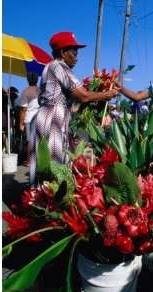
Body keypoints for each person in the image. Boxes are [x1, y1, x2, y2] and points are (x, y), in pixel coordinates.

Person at [29, 31, 118, 186]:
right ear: (63, 52)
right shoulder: (59, 67)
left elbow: (78, 97)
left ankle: (42, 200)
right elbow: (82, 95)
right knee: (53, 165)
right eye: (73, 52)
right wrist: (105, 95)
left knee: (47, 163)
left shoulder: (51, 67)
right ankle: (47, 202)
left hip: (50, 116)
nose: (77, 56)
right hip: (52, 118)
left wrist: (96, 98)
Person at [19, 72, 40, 167]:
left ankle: (28, 161)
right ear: (37, 80)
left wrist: (21, 123)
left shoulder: (25, 91)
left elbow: (23, 109)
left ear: (28, 80)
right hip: (39, 117)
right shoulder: (40, 91)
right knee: (38, 140)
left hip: (28, 119)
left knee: (29, 141)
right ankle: (38, 160)